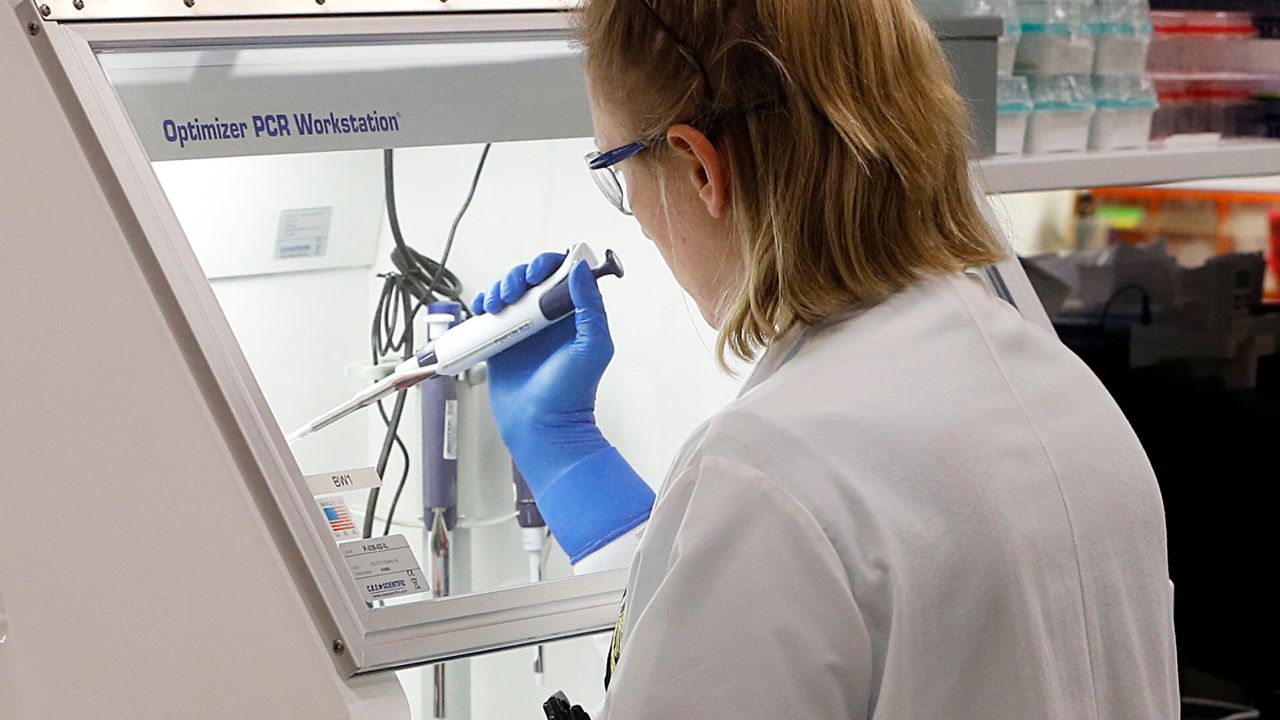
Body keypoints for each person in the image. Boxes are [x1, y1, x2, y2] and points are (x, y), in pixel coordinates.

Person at [473, 0, 1180, 717]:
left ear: (698, 167)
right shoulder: (1064, 389)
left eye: (616, 169)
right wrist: (571, 467)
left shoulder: (771, 469)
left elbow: (789, 575)